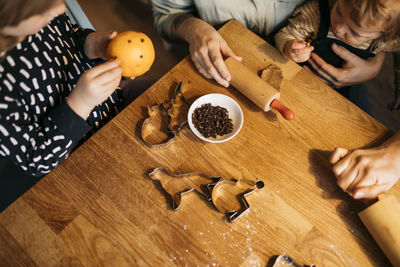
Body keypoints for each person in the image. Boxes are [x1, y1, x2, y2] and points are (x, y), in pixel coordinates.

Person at [274, 0, 400, 198]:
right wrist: (288, 46)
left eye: (355, 32)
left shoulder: (384, 40)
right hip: (302, 81)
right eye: (339, 11)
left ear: (382, 36)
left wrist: (376, 67)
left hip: (348, 89)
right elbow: (283, 34)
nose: (339, 27)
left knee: (362, 133)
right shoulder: (316, 15)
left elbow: (388, 49)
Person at [0, 0, 127, 177]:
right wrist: (80, 103)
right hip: (79, 164)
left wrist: (89, 45)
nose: (62, 8)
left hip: (114, 112)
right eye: (45, 8)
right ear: (10, 15)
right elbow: (36, 159)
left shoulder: (46, 16)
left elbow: (69, 35)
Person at [151, 0, 385, 90]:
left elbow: (385, 16)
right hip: (230, 63)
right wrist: (194, 29)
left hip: (332, 70)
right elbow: (166, 15)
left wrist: (376, 61)